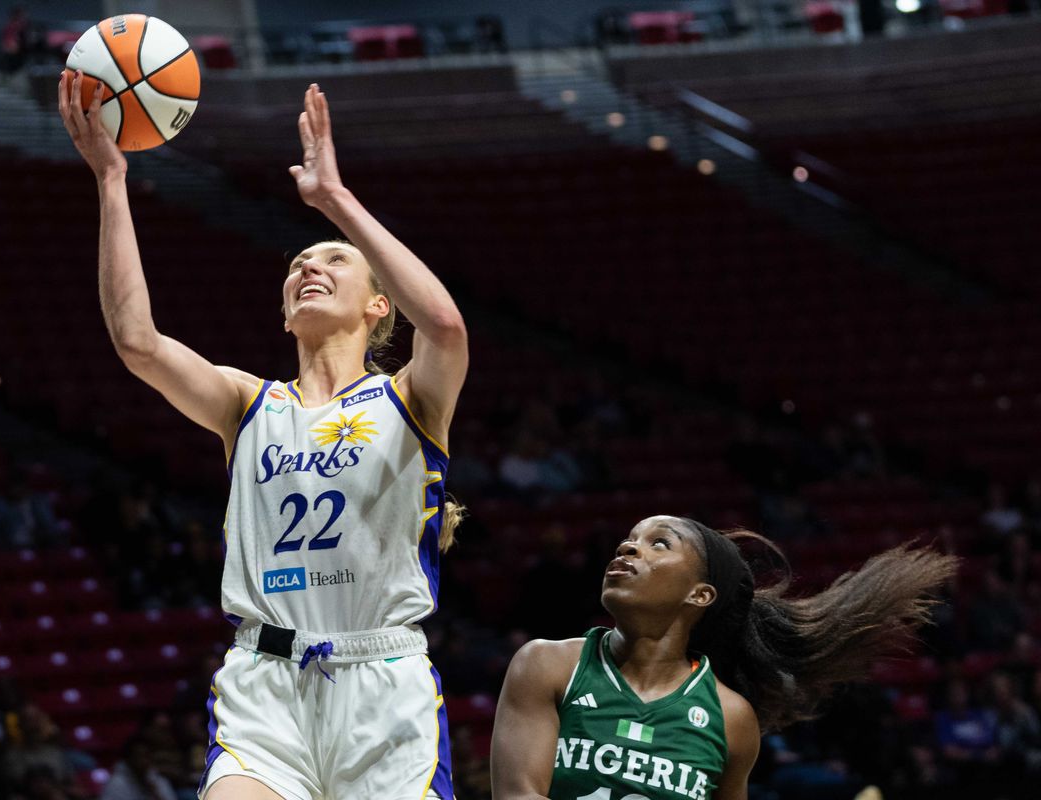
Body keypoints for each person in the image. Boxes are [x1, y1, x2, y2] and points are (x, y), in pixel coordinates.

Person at [58, 75, 467, 800]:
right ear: (283, 315)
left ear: (379, 305)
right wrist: (111, 180)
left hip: (382, 685)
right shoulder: (248, 404)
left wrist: (334, 200)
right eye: (299, 264)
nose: (309, 266)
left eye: (334, 260)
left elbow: (443, 324)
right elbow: (137, 342)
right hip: (264, 683)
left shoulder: (409, 398)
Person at [490, 515, 957, 800]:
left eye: (659, 543)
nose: (628, 547)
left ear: (700, 595)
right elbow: (517, 794)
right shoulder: (548, 665)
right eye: (630, 539)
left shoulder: (731, 717)